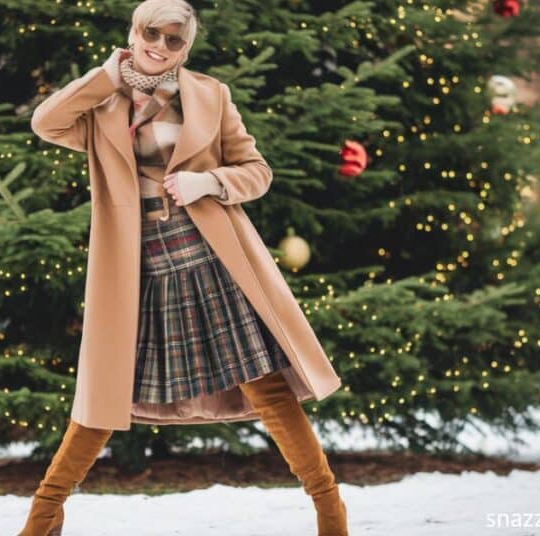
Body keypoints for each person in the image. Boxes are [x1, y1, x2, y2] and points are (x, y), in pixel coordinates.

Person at [20, 1, 348, 534]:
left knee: (266, 388)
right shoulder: (102, 101)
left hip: (213, 260)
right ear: (135, 32)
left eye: (176, 40)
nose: (162, 46)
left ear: (187, 47)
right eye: (153, 33)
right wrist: (106, 74)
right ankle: (42, 517)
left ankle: (330, 511)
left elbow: (257, 171)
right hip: (137, 271)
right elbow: (44, 121)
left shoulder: (210, 95)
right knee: (103, 395)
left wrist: (210, 182)